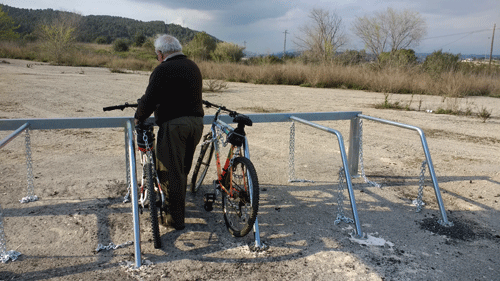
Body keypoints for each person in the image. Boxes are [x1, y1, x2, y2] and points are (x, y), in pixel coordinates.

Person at [134, 34, 204, 230]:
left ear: (161, 53)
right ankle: (179, 210)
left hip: (175, 127)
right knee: (182, 170)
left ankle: (174, 220)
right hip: (196, 124)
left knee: (170, 173)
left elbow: (149, 99)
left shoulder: (162, 69)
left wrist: (139, 117)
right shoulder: (193, 67)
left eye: (157, 55)